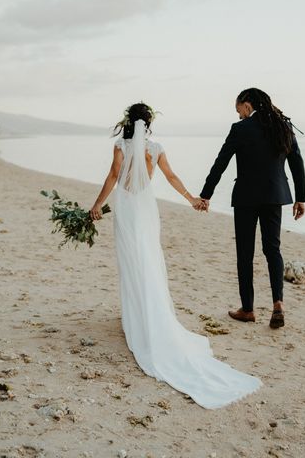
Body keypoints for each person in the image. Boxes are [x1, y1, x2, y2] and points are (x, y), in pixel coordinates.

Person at [89, 102, 262, 409]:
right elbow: (170, 177)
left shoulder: (121, 145)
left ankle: (137, 318)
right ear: (149, 123)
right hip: (145, 207)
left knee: (131, 261)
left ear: (129, 122)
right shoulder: (155, 148)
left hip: (128, 208)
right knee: (148, 260)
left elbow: (113, 177)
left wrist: (96, 205)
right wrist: (192, 199)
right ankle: (147, 314)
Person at [196, 88, 305, 329]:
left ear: (247, 105)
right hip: (275, 196)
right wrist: (301, 198)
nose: (240, 116)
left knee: (245, 254)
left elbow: (221, 163)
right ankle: (278, 303)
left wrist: (206, 194)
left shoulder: (241, 129)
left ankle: (248, 309)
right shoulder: (282, 127)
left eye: (240, 111)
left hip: (246, 197)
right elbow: (297, 162)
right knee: (273, 249)